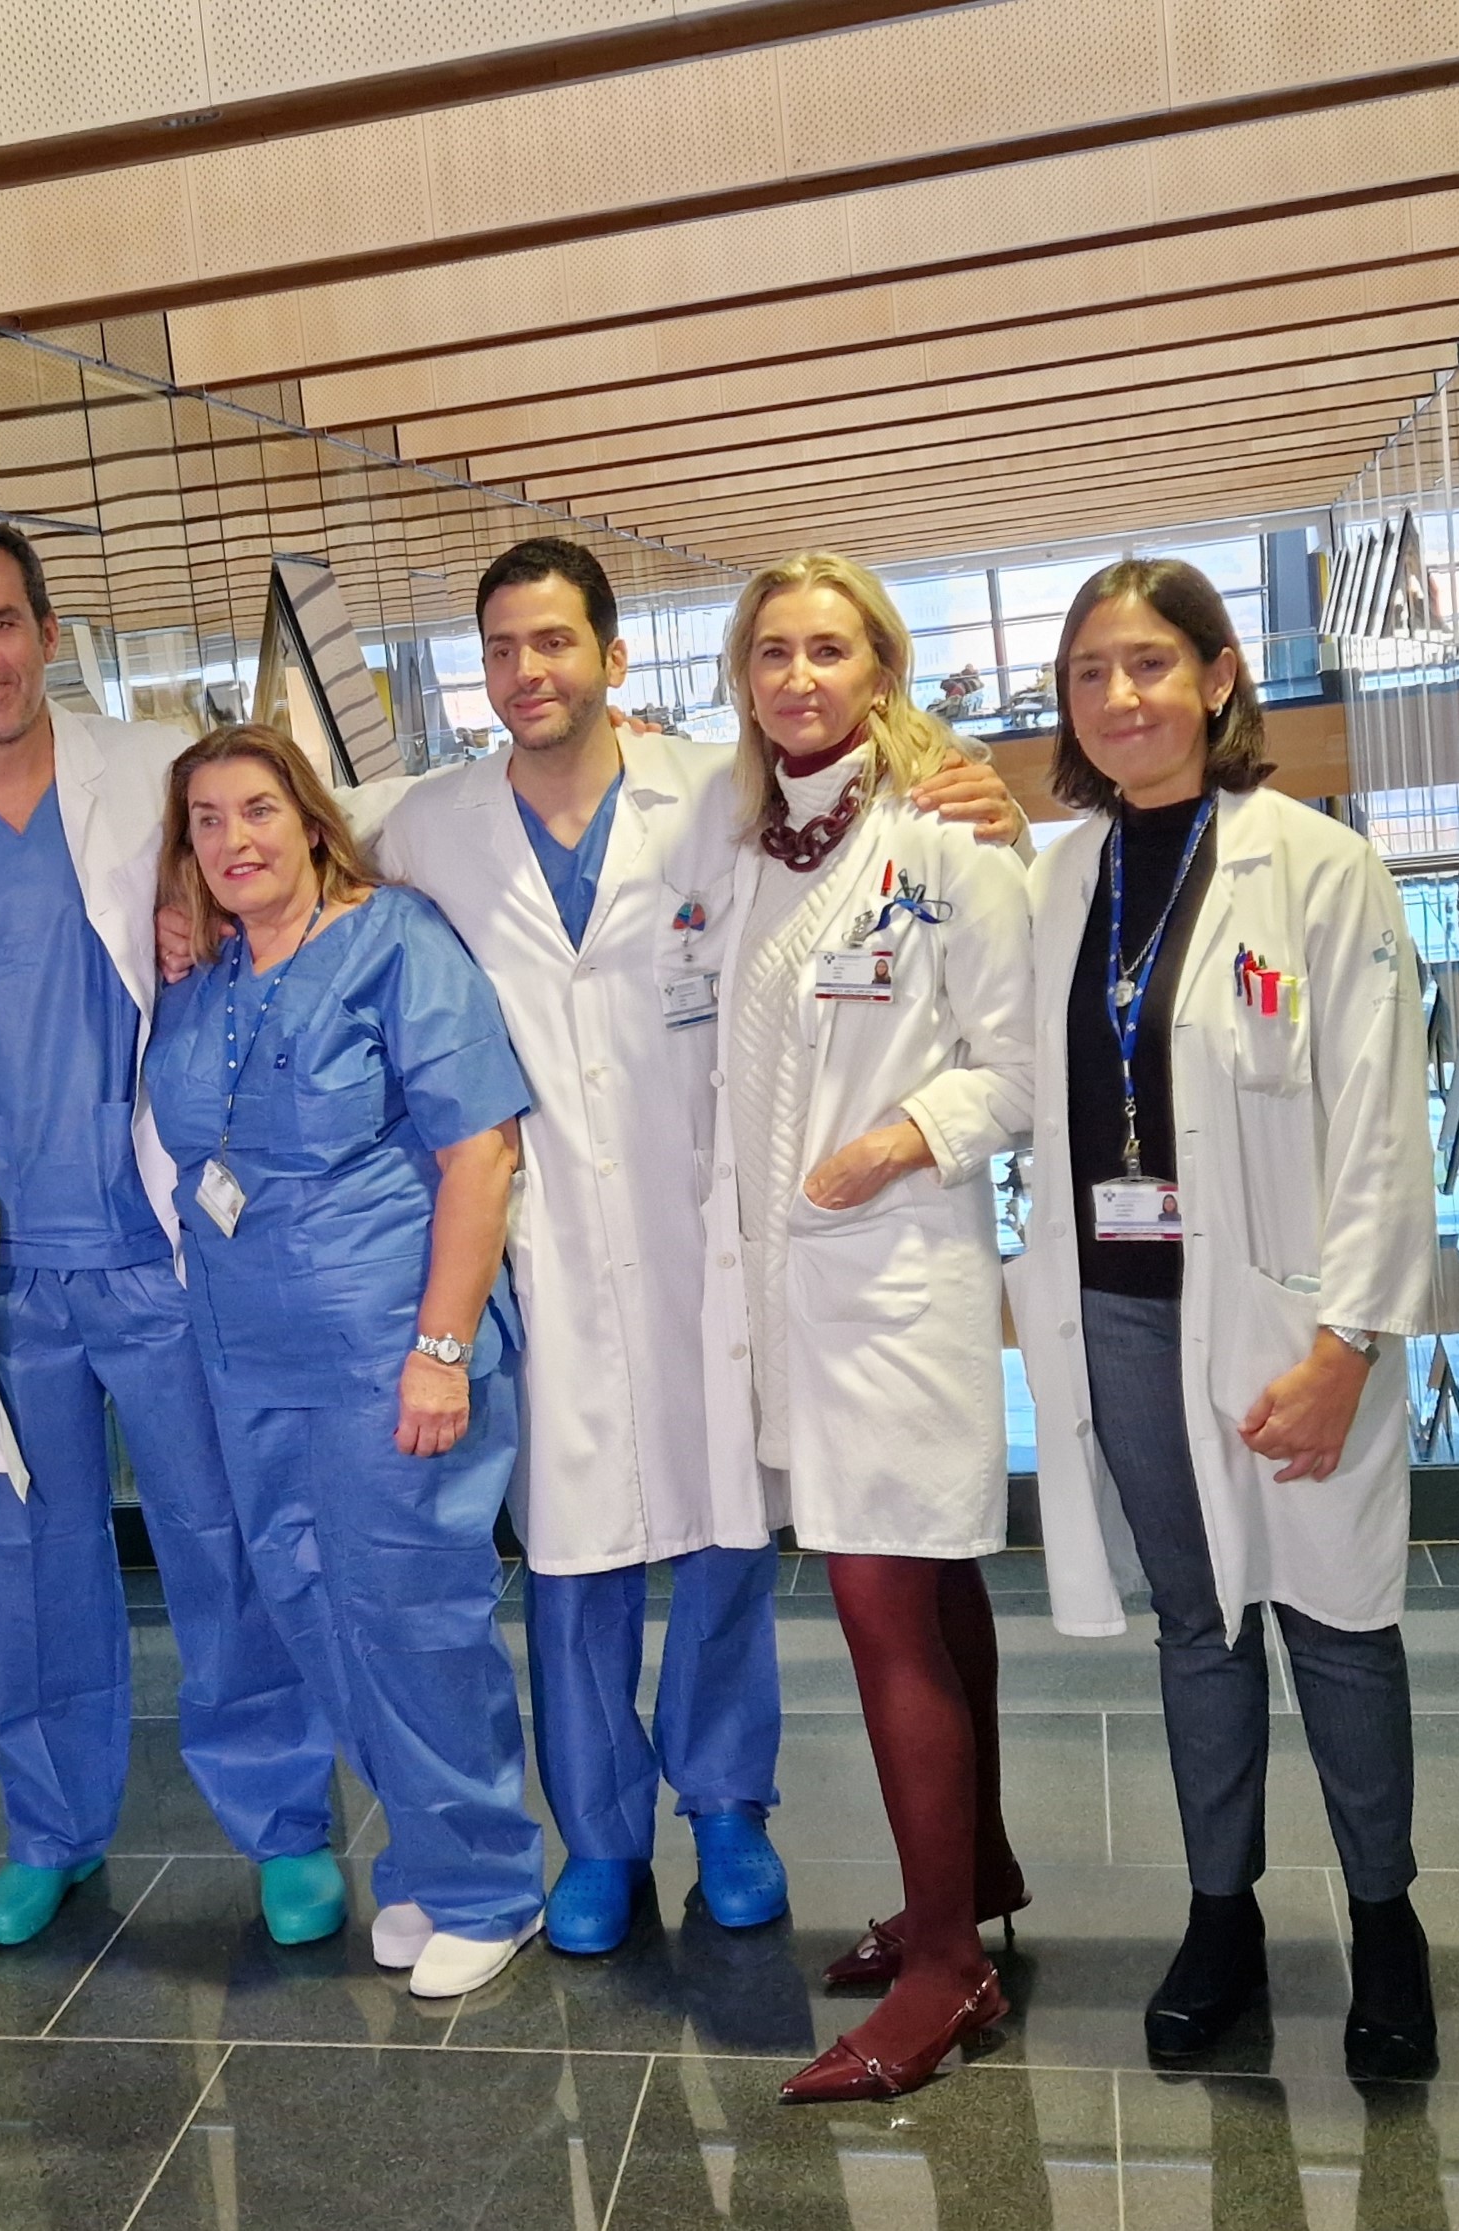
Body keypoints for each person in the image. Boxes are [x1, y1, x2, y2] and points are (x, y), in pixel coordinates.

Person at [368, 539, 1023, 1959]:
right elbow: (298, 847)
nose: (527, 671)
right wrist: (188, 904)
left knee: (727, 1528)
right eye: (499, 648)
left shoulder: (716, 800)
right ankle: (601, 1834)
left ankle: (728, 1803)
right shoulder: (429, 824)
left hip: (712, 1223)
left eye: (554, 640)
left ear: (613, 658)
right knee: (572, 1550)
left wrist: (993, 801)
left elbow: (873, 839)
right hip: (549, 1234)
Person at [0, 520, 343, 1952]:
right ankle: (51, 1826)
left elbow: (301, 846)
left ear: (49, 634)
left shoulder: (154, 770)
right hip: (0, 1266)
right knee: (29, 1563)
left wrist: (201, 916)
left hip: (151, 1235)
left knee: (218, 1534)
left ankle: (285, 1818)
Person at [1008, 558, 1438, 2082]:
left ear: (1214, 675)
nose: (1118, 697)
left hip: (1289, 1315)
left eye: (1145, 664)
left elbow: (1382, 1124)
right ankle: (1219, 1915)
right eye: (1087, 674)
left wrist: (1347, 1343)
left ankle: (1384, 1922)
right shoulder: (1056, 878)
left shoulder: (1315, 864)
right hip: (1120, 1311)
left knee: (1336, 1618)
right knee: (1196, 1622)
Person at [685, 554, 1035, 2104]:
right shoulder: (747, 843)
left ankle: (945, 1970)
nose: (797, 677)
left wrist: (888, 1143)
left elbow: (1015, 1069)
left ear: (881, 669)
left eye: (827, 650)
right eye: (771, 652)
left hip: (892, 1278)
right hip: (799, 1288)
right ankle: (975, 1878)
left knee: (886, 1610)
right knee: (934, 1594)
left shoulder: (947, 840)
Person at [146, 724, 543, 1997]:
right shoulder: (203, 976)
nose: (235, 840)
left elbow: (481, 1153)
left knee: (412, 1615)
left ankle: (489, 1883)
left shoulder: (395, 943)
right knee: (315, 1611)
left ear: (313, 819)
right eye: (207, 820)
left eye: (258, 809)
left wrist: (440, 1349)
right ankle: (429, 1851)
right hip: (248, 1359)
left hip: (384, 1350)